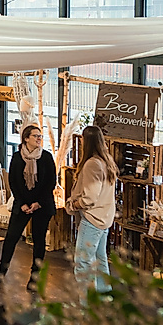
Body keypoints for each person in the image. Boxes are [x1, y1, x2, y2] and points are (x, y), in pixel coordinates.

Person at [0, 125, 57, 289]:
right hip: (22, 204)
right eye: (35, 136)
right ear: (26, 138)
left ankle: (35, 277)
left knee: (39, 240)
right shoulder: (17, 157)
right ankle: (1, 271)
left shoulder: (46, 157)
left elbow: (50, 182)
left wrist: (37, 203)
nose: (39, 139)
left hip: (41, 204)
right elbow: (13, 182)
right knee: (11, 237)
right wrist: (22, 203)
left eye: (40, 136)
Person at [66, 125, 117, 297]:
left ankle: (87, 306)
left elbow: (90, 198)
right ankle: (104, 298)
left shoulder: (92, 164)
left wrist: (73, 205)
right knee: (100, 259)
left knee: (83, 262)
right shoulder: (107, 161)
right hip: (104, 218)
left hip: (92, 220)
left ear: (85, 142)